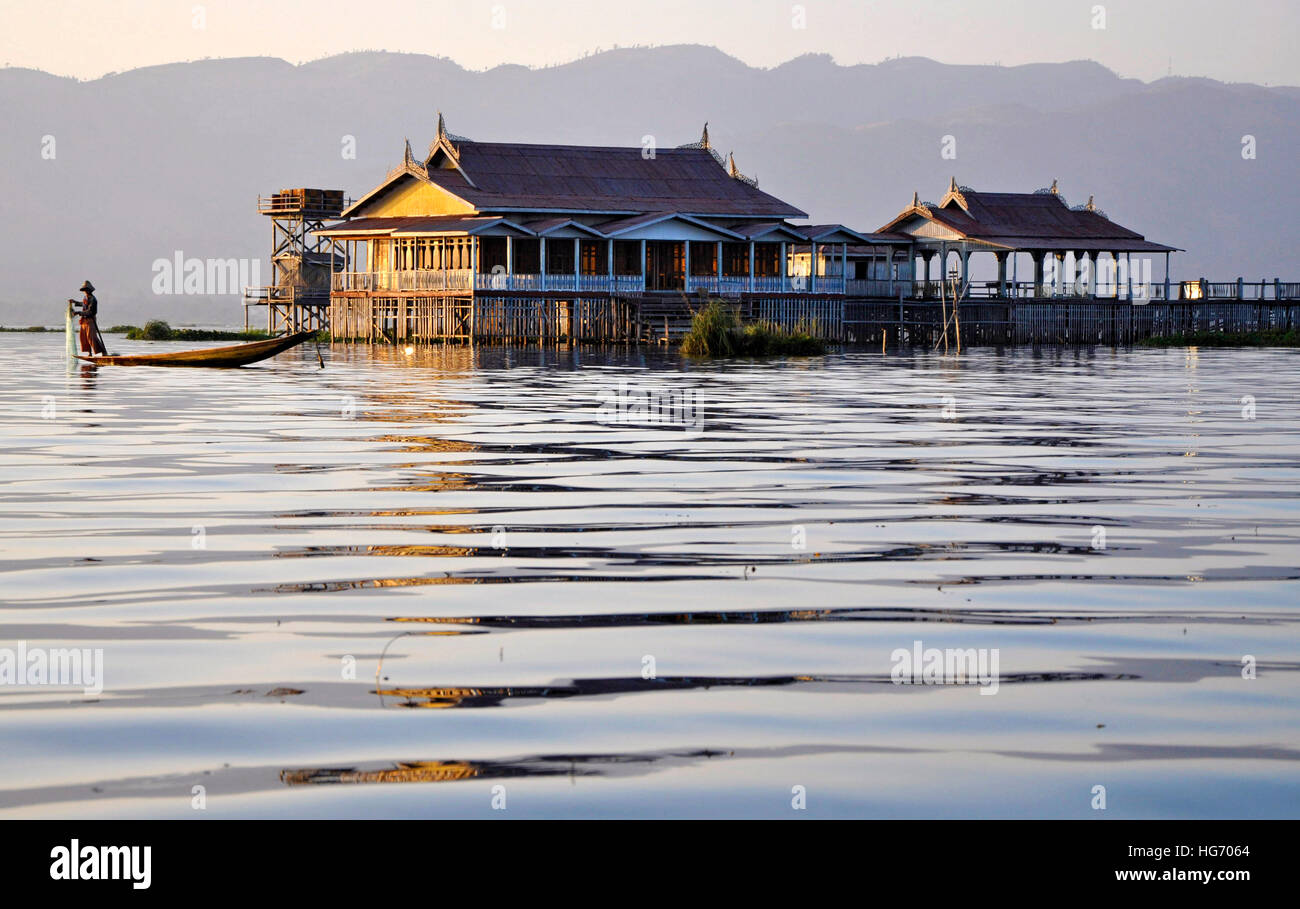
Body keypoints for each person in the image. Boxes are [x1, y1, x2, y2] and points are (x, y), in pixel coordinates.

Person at [69, 280, 107, 355]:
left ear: (89, 290)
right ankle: (89, 353)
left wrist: (78, 313)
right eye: (84, 290)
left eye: (86, 290)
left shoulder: (93, 299)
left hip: (90, 320)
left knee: (91, 337)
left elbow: (90, 311)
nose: (85, 291)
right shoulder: (85, 298)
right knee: (84, 337)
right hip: (84, 320)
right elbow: (83, 304)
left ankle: (103, 352)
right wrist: (75, 302)